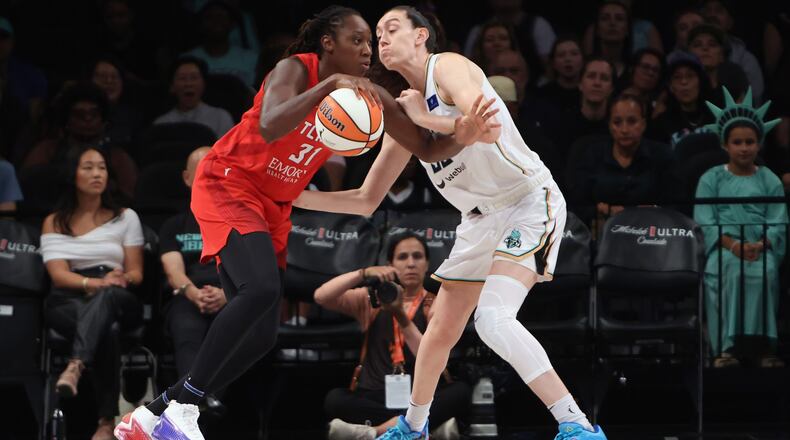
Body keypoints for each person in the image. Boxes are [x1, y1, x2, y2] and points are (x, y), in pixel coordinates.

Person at [115, 6, 493, 440]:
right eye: (357, 40)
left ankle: (152, 414)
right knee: (260, 290)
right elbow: (273, 124)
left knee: (262, 336)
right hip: (230, 182)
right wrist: (330, 85)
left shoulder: (372, 97)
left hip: (274, 203)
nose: (367, 49)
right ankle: (185, 405)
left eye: (371, 41)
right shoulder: (295, 69)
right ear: (328, 43)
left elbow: (426, 150)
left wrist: (463, 132)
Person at [295, 5, 607, 439]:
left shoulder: (449, 67)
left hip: (526, 201)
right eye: (376, 33)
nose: (381, 39)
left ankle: (577, 425)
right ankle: (414, 426)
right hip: (478, 222)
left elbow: (486, 130)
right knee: (440, 327)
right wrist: (292, 194)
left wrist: (423, 116)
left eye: (391, 29)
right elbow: (366, 200)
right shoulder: (402, 114)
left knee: (493, 320)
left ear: (421, 36)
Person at [320, 232, 471, 440]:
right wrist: (362, 273)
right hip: (375, 395)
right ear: (390, 264)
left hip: (418, 396)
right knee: (335, 399)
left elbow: (427, 355)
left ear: (427, 264)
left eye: (417, 257)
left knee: (460, 392)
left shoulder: (435, 302)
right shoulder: (371, 301)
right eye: (402, 257)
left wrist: (400, 315)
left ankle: (374, 432)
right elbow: (322, 296)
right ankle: (422, 429)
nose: (410, 264)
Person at [41, 146, 144, 440]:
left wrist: (118, 278)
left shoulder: (125, 217)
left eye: (101, 167)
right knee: (106, 327)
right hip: (70, 295)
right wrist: (92, 284)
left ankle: (75, 366)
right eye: (87, 167)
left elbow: (137, 272)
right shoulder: (55, 221)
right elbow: (58, 274)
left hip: (116, 291)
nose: (96, 173)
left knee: (108, 302)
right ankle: (105, 423)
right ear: (72, 174)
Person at [694, 87, 787, 368]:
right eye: (737, 142)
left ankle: (763, 348)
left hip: (761, 249)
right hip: (724, 248)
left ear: (759, 144)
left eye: (749, 141)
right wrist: (733, 245)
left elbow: (778, 218)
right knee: (730, 271)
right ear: (725, 145)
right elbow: (704, 220)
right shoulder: (711, 178)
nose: (744, 147)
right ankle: (726, 349)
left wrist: (761, 245)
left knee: (767, 271)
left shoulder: (769, 178)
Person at [567, 94, 673, 227]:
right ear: (609, 125)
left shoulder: (662, 155)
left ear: (643, 124)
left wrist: (647, 211)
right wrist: (598, 211)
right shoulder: (592, 155)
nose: (624, 129)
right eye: (617, 122)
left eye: (632, 121)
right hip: (601, 235)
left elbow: (675, 207)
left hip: (651, 233)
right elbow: (576, 205)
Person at [22, 82, 138, 199]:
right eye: (79, 114)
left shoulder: (118, 159)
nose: (87, 119)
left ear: (103, 120)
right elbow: (27, 187)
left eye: (94, 114)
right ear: (66, 120)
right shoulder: (46, 151)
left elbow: (129, 198)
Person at [182, 1, 259, 87]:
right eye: (210, 17)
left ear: (232, 23)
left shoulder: (251, 59)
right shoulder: (187, 60)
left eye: (221, 16)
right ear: (201, 23)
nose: (216, 21)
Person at [153, 56, 234, 138]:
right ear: (172, 86)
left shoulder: (221, 118)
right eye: (182, 78)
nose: (188, 84)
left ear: (204, 84)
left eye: (194, 77)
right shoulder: (161, 124)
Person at [649, 52, 714, 147]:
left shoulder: (714, 117)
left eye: (690, 76)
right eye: (677, 77)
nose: (684, 82)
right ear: (671, 87)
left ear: (700, 82)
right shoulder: (660, 124)